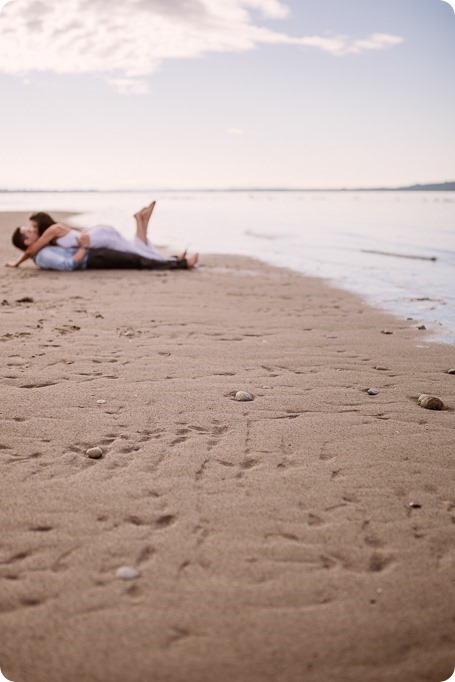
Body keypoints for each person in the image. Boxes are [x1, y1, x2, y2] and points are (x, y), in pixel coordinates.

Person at [7, 203, 198, 270]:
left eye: (33, 225)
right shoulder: (52, 235)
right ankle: (141, 222)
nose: (33, 230)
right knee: (136, 250)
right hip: (97, 234)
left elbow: (32, 249)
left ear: (42, 223)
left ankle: (142, 222)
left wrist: (16, 263)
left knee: (137, 253)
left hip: (98, 237)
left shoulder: (52, 230)